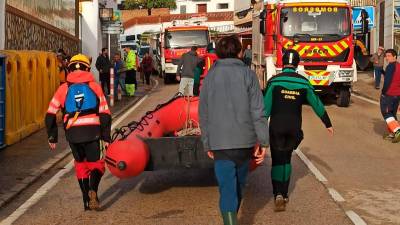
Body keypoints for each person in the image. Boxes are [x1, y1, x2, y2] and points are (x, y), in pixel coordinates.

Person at [199, 35, 269, 225]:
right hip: (244, 142)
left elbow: (203, 113)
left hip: (220, 143)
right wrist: (263, 141)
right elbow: (258, 110)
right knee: (238, 185)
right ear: (240, 52)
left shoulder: (210, 77)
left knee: (228, 189)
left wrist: (207, 142)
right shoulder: (249, 75)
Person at [263, 49, 334, 212]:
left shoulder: (274, 81)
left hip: (276, 127)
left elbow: (265, 109)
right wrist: (327, 123)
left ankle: (277, 194)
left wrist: (258, 128)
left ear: (282, 62)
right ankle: (285, 193)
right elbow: (317, 104)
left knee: (277, 160)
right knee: (287, 159)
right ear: (297, 64)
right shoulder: (303, 82)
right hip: (294, 127)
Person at [45, 54, 111, 211]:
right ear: (87, 68)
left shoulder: (63, 88)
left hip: (73, 135)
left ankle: (86, 202)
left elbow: (50, 114)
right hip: (92, 132)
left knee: (80, 165)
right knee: (97, 164)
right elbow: (104, 113)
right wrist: (106, 136)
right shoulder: (94, 86)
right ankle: (93, 190)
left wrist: (52, 136)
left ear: (70, 68)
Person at [380, 49, 400, 143]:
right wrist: (383, 72)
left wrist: (383, 93)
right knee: (392, 114)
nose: (387, 58)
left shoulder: (390, 66)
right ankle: (392, 134)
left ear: (394, 56)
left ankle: (397, 131)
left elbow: (388, 81)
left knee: (386, 113)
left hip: (389, 94)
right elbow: (393, 77)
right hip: (397, 95)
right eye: (386, 56)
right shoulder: (398, 66)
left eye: (389, 56)